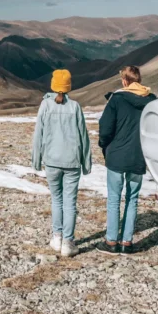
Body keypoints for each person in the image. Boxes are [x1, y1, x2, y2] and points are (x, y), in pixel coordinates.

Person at [31, 69, 92, 257]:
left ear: (53, 84)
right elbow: (83, 136)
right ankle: (68, 242)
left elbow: (38, 134)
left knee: (56, 199)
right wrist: (86, 162)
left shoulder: (45, 106)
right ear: (68, 86)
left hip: (52, 161)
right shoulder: (75, 107)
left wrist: (36, 159)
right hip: (72, 162)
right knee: (70, 202)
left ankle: (56, 238)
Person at [96, 65, 156, 255]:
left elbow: (105, 128)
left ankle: (111, 241)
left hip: (116, 156)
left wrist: (104, 145)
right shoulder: (151, 101)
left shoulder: (116, 99)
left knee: (114, 199)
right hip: (138, 155)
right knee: (133, 198)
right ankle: (127, 243)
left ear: (124, 81)